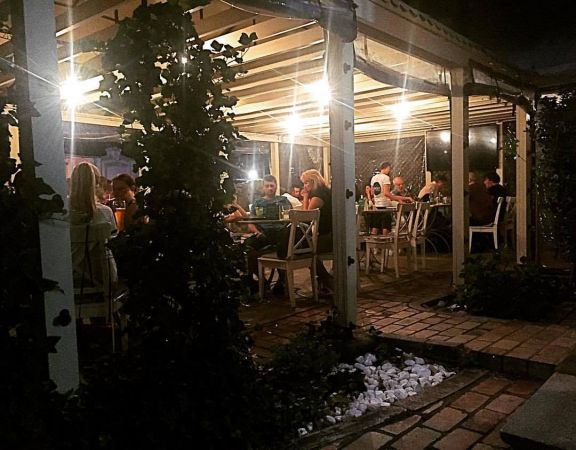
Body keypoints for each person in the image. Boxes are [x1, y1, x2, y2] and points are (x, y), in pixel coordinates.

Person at [69, 162, 117, 285]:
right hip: (101, 276)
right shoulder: (105, 212)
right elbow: (113, 243)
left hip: (69, 276)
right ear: (97, 184)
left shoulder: (62, 212)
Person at [246, 174, 292, 293]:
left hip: (280, 233)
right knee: (247, 247)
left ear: (276, 186)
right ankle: (261, 281)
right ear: (263, 188)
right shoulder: (257, 202)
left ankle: (282, 280)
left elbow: (291, 219)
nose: (270, 188)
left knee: (285, 239)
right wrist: (257, 232)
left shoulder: (283, 200)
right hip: (263, 233)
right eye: (267, 186)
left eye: (272, 186)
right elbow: (250, 223)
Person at [300, 169, 333, 294]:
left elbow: (305, 217)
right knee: (305, 247)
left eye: (306, 183)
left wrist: (305, 197)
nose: (304, 186)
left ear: (313, 182)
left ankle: (326, 279)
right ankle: (324, 282)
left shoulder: (318, 196)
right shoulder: (327, 192)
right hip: (332, 235)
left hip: (327, 238)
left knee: (304, 250)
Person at [366, 162, 413, 235]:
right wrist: (404, 198)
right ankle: (389, 239)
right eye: (389, 169)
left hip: (377, 205)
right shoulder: (385, 178)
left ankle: (374, 241)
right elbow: (386, 193)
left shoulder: (374, 178)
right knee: (386, 224)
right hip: (385, 205)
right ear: (387, 167)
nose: (390, 171)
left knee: (375, 225)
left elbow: (372, 193)